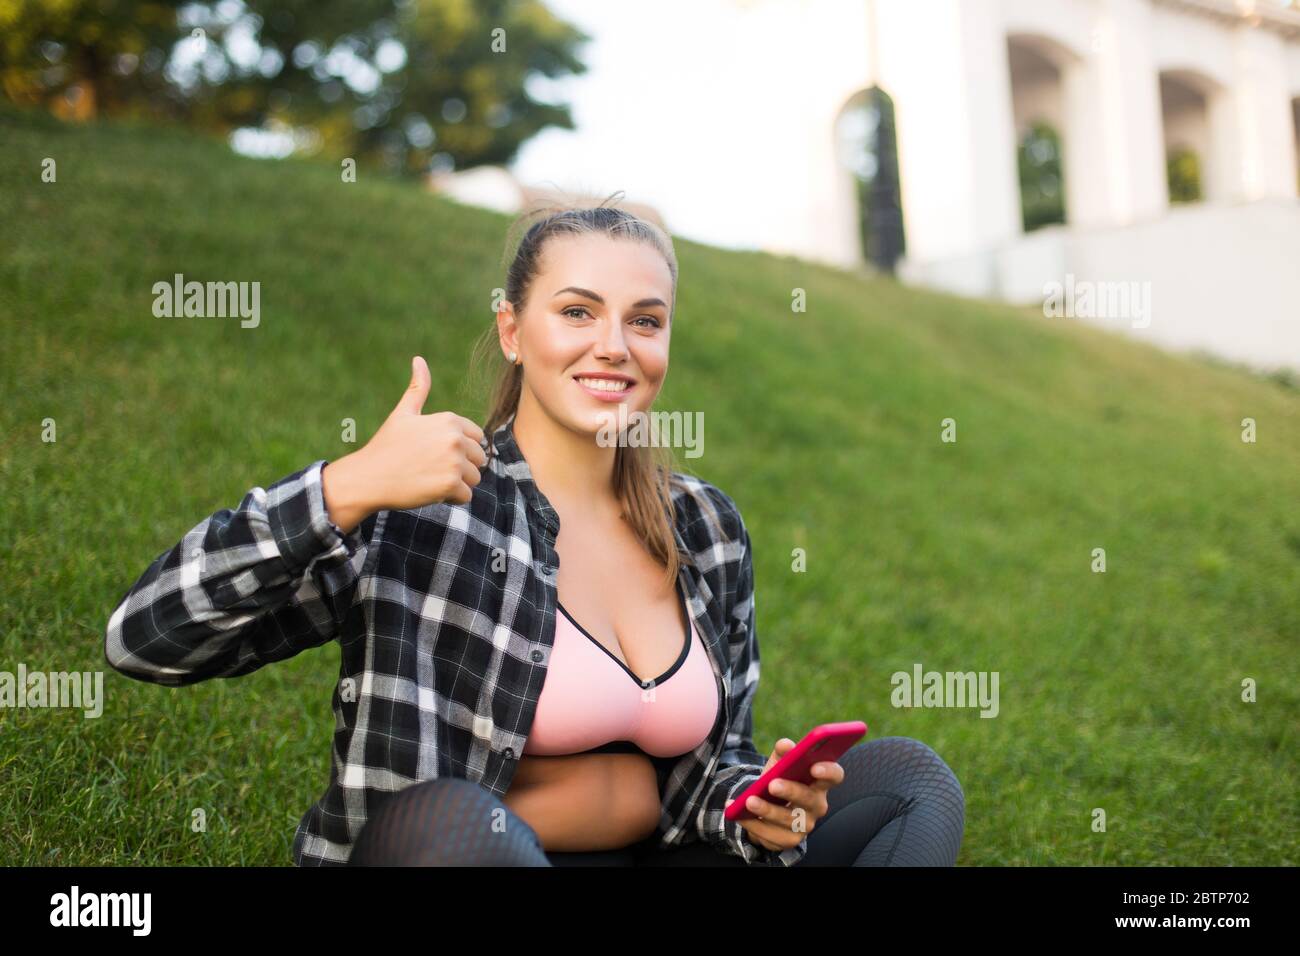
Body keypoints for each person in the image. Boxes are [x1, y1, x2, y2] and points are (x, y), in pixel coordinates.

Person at [105, 201, 965, 866]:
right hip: (471, 859)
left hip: (665, 859)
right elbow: (146, 638)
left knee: (911, 785)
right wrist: (345, 487)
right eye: (578, 312)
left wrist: (756, 806)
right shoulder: (424, 505)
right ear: (514, 331)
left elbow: (710, 765)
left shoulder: (704, 525)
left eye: (645, 319)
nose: (615, 346)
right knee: (452, 828)